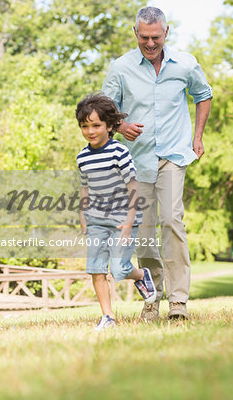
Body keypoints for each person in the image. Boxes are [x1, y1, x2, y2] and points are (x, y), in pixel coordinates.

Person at [102, 6, 212, 321]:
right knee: (146, 230)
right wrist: (121, 127)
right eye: (144, 38)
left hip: (174, 154)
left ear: (166, 33)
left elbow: (203, 95)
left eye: (156, 38)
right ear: (136, 34)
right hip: (137, 161)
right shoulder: (121, 68)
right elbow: (106, 109)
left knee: (173, 221)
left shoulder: (186, 64)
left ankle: (178, 303)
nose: (150, 44)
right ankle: (153, 297)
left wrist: (198, 136)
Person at [75, 93, 157, 331]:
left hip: (123, 217)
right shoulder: (82, 157)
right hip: (96, 220)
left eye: (96, 125)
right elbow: (84, 188)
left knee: (119, 269)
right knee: (96, 268)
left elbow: (133, 187)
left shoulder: (119, 152)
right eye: (85, 126)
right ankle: (108, 316)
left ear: (110, 126)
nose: (91, 131)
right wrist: (83, 217)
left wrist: (130, 221)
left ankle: (142, 275)